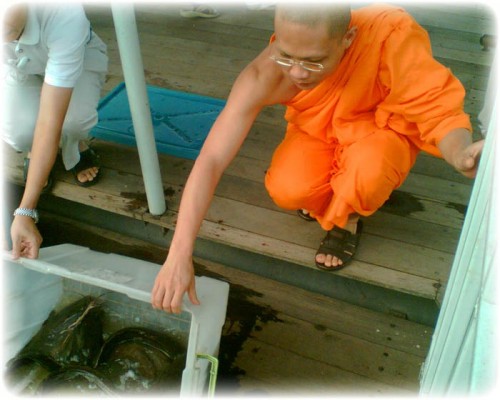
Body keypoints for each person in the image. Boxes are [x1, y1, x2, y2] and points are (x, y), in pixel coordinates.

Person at [151, 3, 484, 313]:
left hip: (379, 128)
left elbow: (437, 108)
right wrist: (179, 254)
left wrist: (459, 153)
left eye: (313, 61)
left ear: (348, 39)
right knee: (288, 189)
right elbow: (210, 158)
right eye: (286, 55)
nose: (297, 74)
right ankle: (330, 194)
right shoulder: (263, 74)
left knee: (365, 177)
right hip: (319, 129)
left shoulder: (389, 33)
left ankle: (348, 221)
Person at [3, 3, 108, 259]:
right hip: (18, 67)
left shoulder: (63, 13)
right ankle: (33, 151)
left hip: (78, 60)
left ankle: (76, 145)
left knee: (72, 121)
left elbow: (50, 121)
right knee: (17, 131)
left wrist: (25, 210)